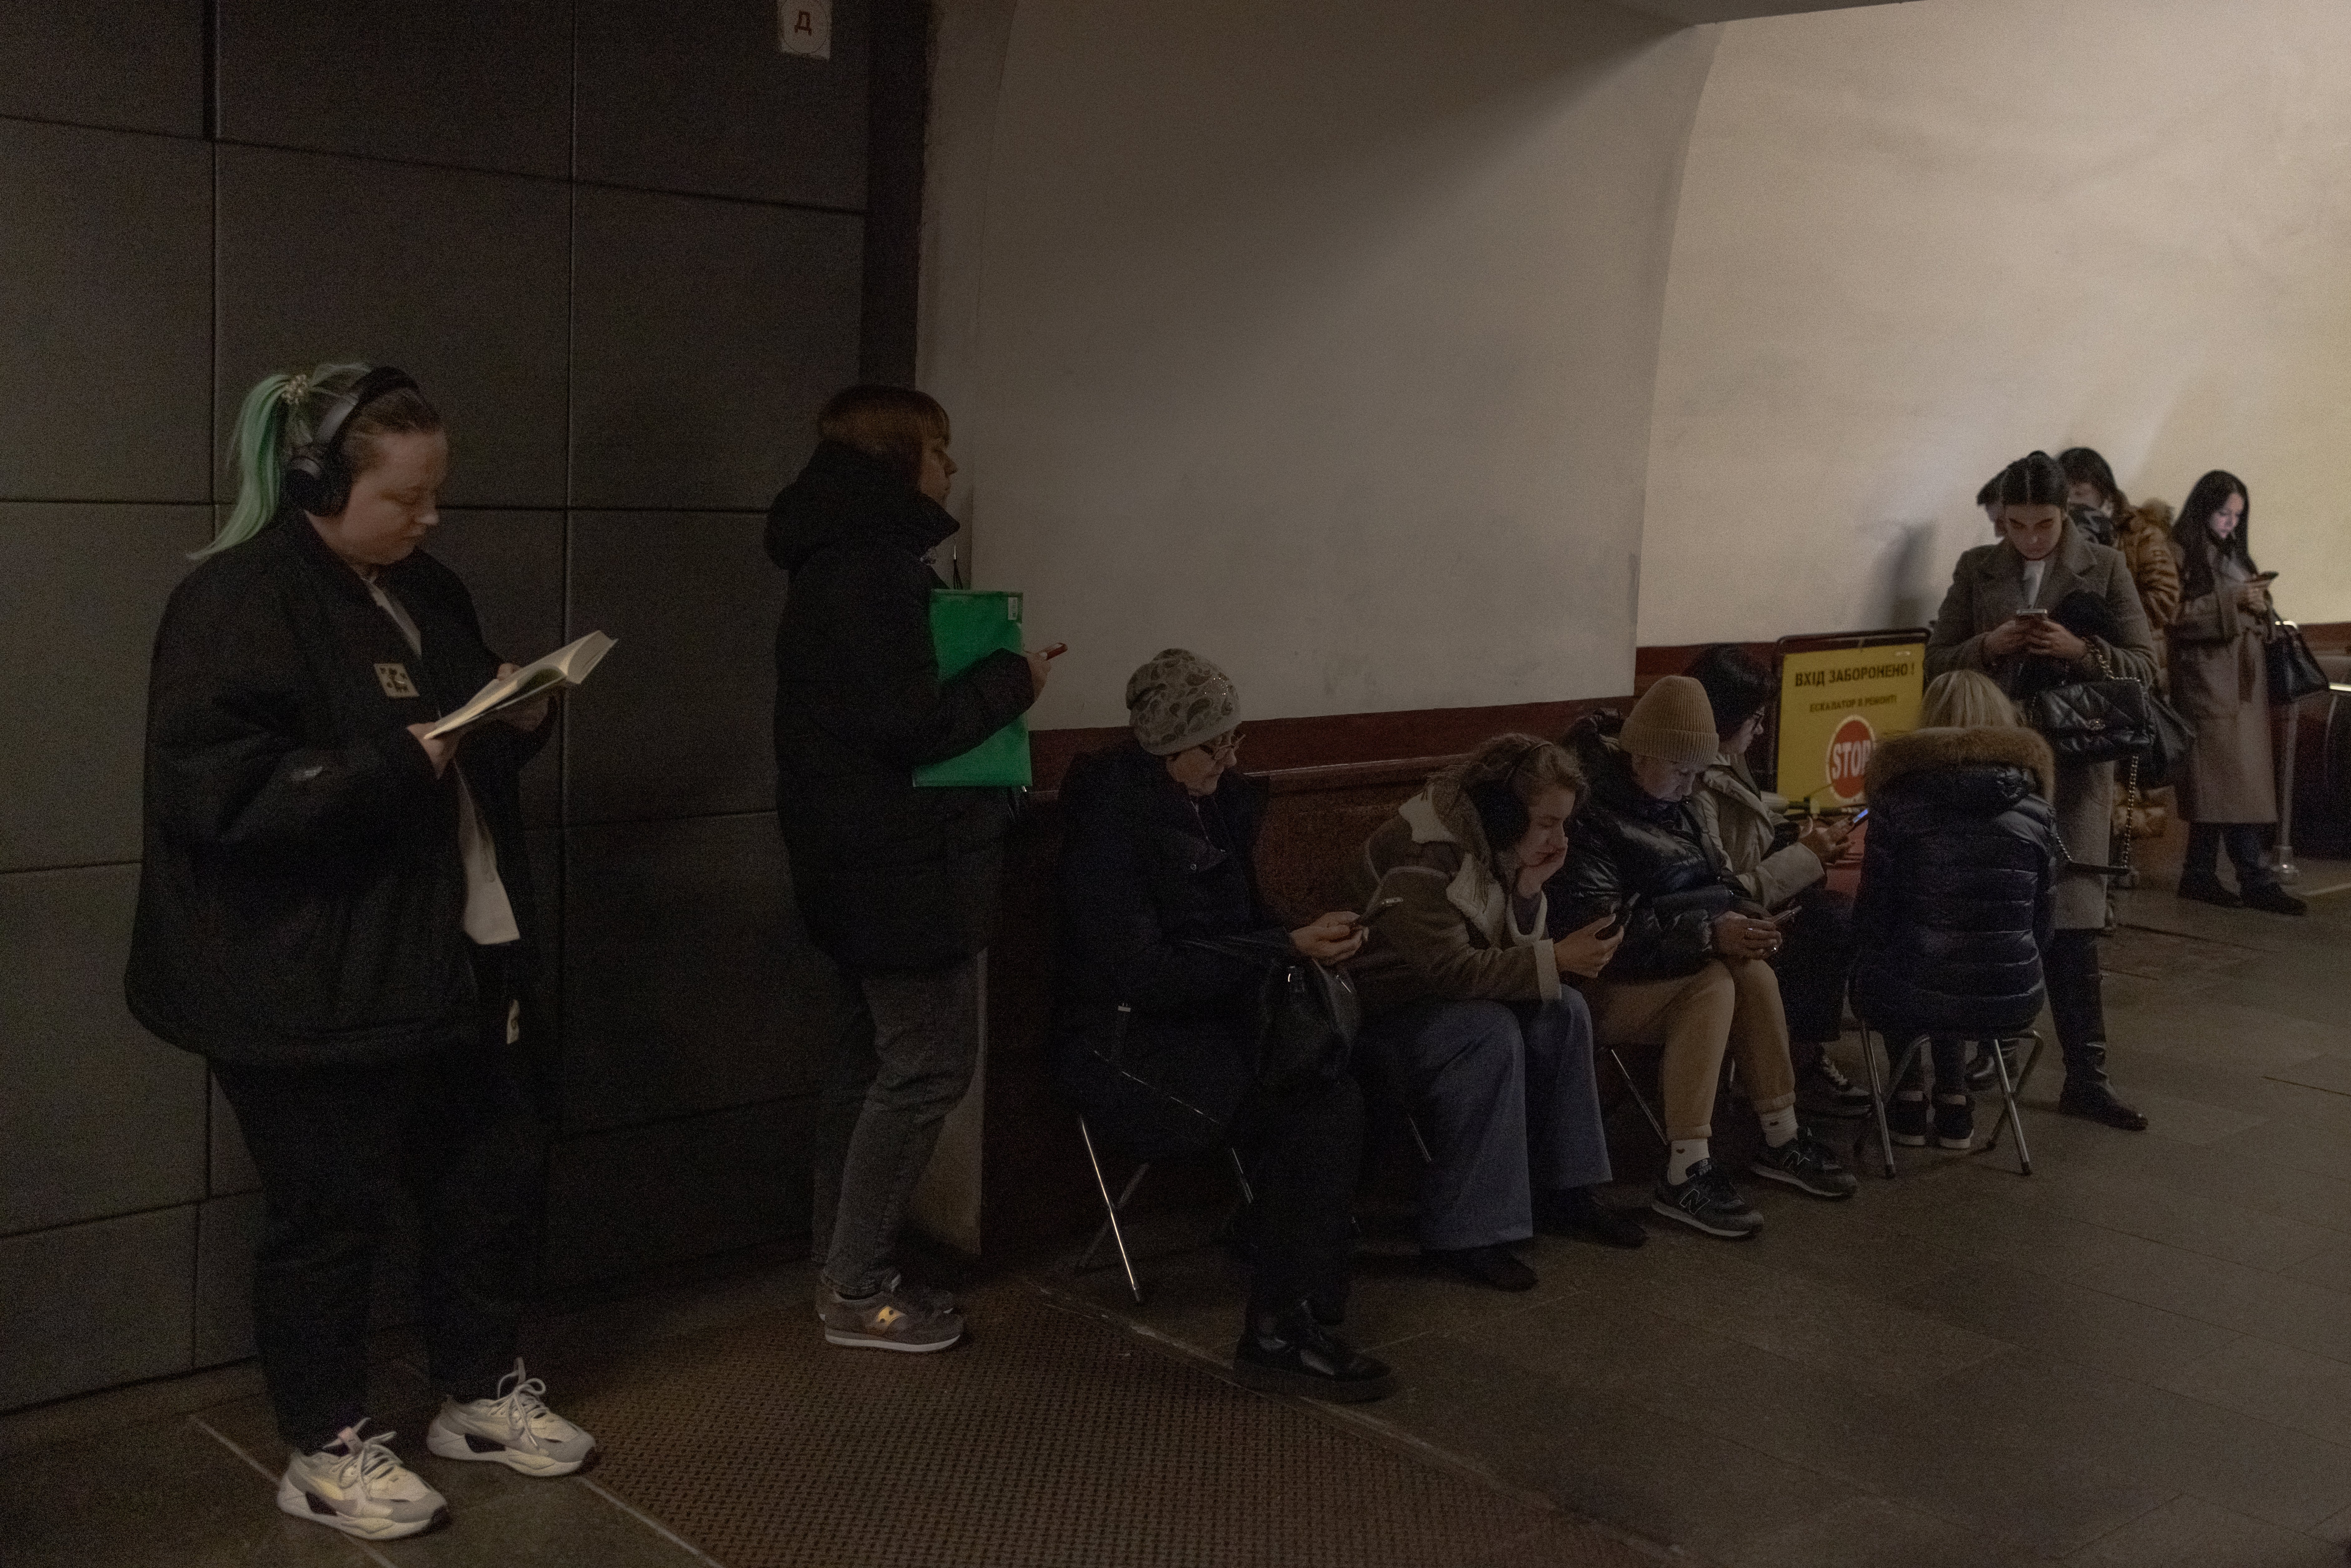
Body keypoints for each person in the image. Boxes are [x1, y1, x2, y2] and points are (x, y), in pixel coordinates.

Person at [126, 364, 592, 1542]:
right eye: (404, 497)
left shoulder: (423, 588)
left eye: (437, 493)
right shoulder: (239, 600)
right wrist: (398, 760)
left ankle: (478, 1391)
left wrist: (515, 713)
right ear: (317, 483)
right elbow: (213, 798)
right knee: (327, 1214)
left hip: (455, 949)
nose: (429, 518)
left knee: (490, 1173)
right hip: (308, 976)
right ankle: (323, 1444)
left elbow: (450, 745)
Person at [768, 385, 1048, 1353]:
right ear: (898, 460)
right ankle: (856, 1282)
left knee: (866, 1057)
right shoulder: (868, 574)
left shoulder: (836, 564)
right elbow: (910, 723)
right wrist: (1015, 677)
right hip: (901, 866)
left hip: (858, 863)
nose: (952, 468)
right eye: (940, 448)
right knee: (927, 1065)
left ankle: (837, 1255)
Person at [1053, 650, 1393, 1401]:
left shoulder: (1210, 804)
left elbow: (1232, 930)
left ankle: (1283, 1252)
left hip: (1204, 1020)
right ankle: (1279, 1326)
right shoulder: (1112, 827)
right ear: (1168, 746)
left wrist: (1308, 940)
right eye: (1217, 744)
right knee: (1313, 1107)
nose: (1232, 757)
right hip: (1123, 1044)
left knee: (1363, 1065)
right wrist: (1285, 947)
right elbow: (1145, 972)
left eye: (1236, 738)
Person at [1548, 678, 1859, 1240]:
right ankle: (1685, 1166)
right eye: (1680, 771)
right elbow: (1599, 931)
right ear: (1639, 753)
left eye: (1698, 774)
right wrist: (1711, 934)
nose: (1691, 787)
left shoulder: (1678, 801)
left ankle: (1780, 1133)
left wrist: (1746, 918)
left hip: (1667, 963)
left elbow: (1714, 882)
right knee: (1713, 980)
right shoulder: (1587, 813)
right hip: (1597, 982)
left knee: (1749, 969)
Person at [1349, 735, 1646, 1292]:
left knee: (1564, 1010)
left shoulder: (1491, 839)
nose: (1560, 839)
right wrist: (1554, 958)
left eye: (1565, 824)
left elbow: (1499, 952)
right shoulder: (1426, 850)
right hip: (1384, 1010)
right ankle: (1464, 1233)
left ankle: (1566, 1191)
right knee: (1488, 1031)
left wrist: (1531, 890)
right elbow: (1452, 971)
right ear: (1504, 808)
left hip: (1442, 999)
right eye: (1547, 823)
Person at [1925, 450, 2157, 1130]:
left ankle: (2086, 1076)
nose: (2029, 538)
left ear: (2064, 514)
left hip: (2075, 768)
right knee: (1995, 912)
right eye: (2016, 525)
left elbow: (2145, 667)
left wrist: (2078, 651)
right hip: (1993, 764)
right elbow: (1934, 661)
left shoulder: (2105, 566)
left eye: (2043, 524)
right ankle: (1983, 1052)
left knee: (2073, 927)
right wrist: (1988, 645)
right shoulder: (1977, 568)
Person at [1851, 672, 2057, 1149]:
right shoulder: (2036, 809)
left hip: (1913, 993)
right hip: (2011, 995)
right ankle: (1955, 1101)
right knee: (1952, 962)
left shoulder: (1896, 801)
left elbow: (1874, 918)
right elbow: (2044, 923)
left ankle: (1907, 1099)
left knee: (1904, 958)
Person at [1680, 645, 1871, 1120]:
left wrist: (1805, 846)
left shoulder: (1727, 759)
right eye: (1755, 721)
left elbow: (1748, 839)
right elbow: (1726, 887)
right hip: (1719, 919)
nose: (1762, 730)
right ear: (1724, 721)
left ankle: (1794, 1061)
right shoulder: (1693, 783)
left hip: (1743, 901)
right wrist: (1806, 856)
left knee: (1828, 908)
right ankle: (1799, 1064)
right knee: (1829, 921)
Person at [2167, 470, 2304, 915]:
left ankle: (2202, 874)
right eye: (2223, 512)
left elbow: (2246, 611)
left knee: (2228, 785)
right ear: (2203, 508)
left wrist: (2259, 605)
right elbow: (2174, 615)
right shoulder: (2180, 552)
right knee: (2225, 785)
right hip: (2207, 682)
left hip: (2243, 682)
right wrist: (2234, 602)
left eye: (2237, 515)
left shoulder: (2234, 555)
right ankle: (2252, 878)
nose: (2229, 522)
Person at [2058, 448, 2182, 689]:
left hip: (2135, 654)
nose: (2072, 500)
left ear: (2104, 491)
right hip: (2080, 656)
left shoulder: (2140, 532)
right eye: (2065, 494)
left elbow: (2165, 594)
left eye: (2080, 492)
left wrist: (2118, 623)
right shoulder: (2063, 532)